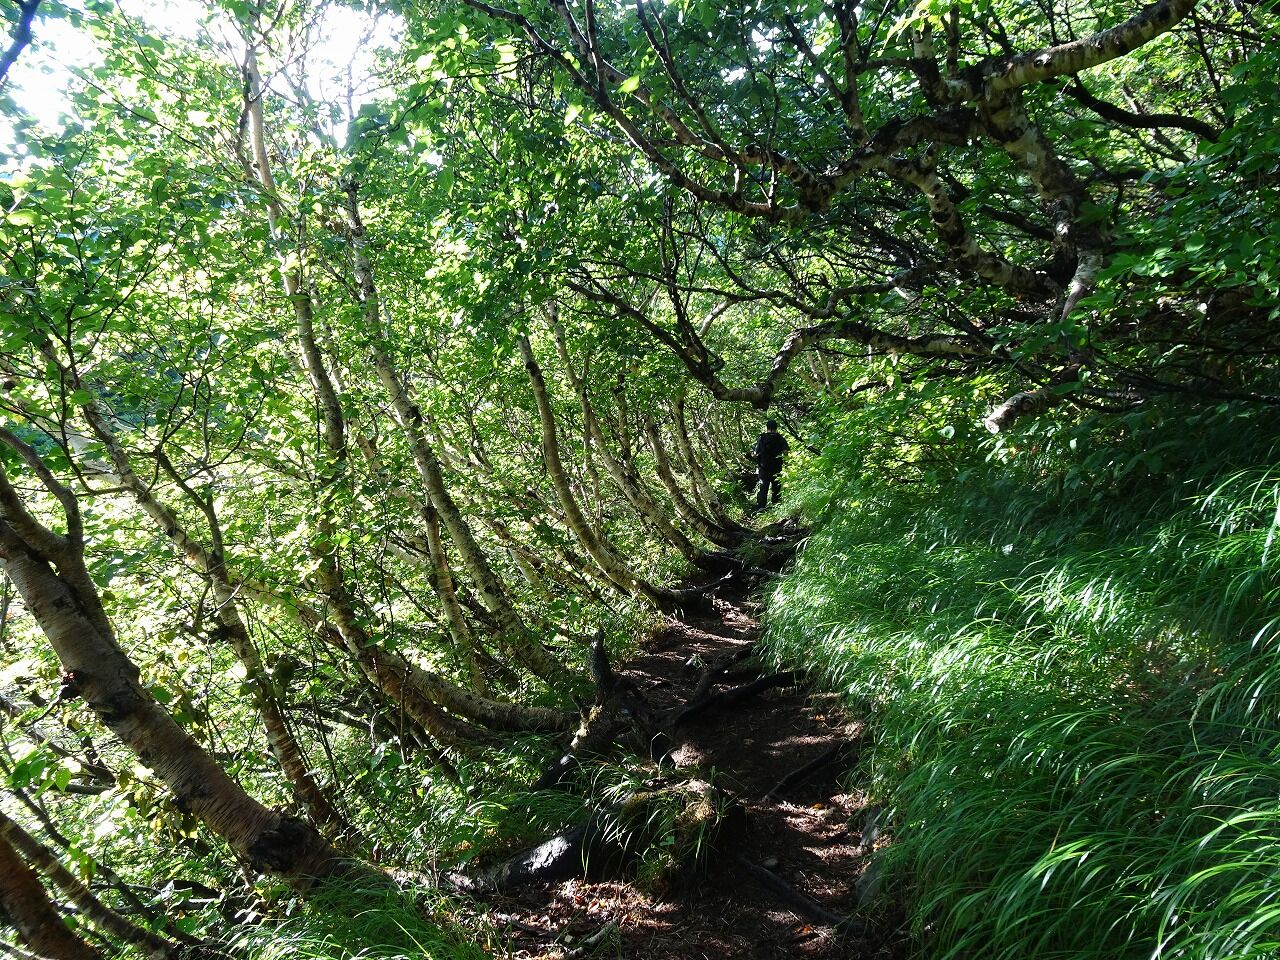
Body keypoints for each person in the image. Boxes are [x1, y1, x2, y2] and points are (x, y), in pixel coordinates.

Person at [753, 419, 789, 509]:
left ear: (767, 427)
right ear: (776, 427)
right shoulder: (779, 438)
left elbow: (755, 453)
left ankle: (761, 507)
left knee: (763, 488)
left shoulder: (761, 438)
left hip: (764, 467)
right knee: (776, 487)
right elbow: (785, 451)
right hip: (777, 466)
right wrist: (786, 462)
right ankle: (776, 506)